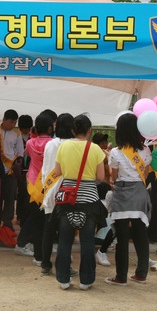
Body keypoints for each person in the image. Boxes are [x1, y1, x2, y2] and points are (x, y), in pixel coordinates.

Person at [51, 114, 106, 290]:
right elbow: (101, 177)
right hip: (89, 199)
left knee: (65, 240)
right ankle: (86, 280)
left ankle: (63, 279)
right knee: (88, 241)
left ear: (73, 130)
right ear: (89, 130)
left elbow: (58, 171)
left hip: (67, 198)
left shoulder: (64, 146)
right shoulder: (96, 149)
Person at [106, 112, 152, 286]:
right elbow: (145, 175)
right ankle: (141, 273)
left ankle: (121, 276)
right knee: (141, 234)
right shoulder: (146, 150)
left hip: (122, 193)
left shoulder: (116, 153)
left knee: (122, 236)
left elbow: (114, 177)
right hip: (139, 193)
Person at [15, 113, 53, 263]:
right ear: (50, 128)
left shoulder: (30, 143)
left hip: (32, 184)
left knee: (35, 221)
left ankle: (38, 256)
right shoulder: (53, 143)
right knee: (47, 221)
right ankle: (45, 253)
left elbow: (28, 155)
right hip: (47, 184)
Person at [40, 113, 74, 276]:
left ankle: (45, 263)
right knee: (65, 232)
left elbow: (45, 168)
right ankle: (63, 265)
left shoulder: (50, 144)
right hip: (67, 192)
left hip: (50, 191)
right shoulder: (75, 145)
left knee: (49, 229)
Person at [0, 109, 24, 231]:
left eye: (15, 122)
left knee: (10, 198)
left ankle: (8, 222)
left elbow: (20, 153)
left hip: (11, 171)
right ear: (4, 120)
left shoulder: (17, 134)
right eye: (11, 122)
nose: (13, 125)